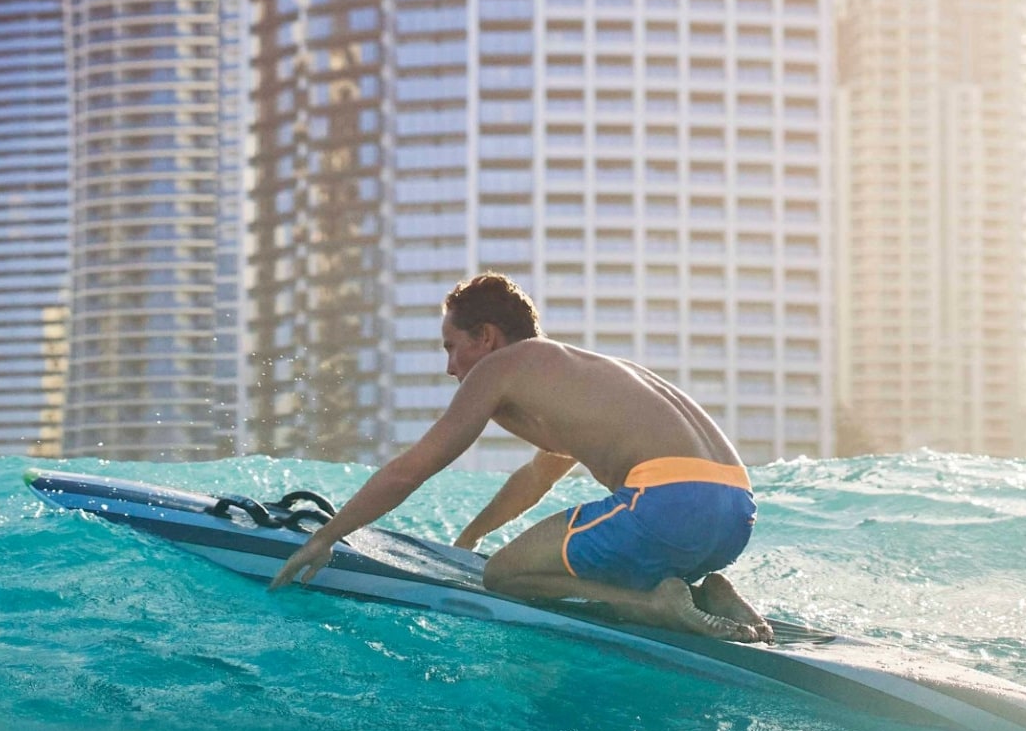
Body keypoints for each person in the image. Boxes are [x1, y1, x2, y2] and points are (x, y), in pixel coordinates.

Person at [270, 272, 772, 642]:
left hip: (668, 505)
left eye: (452, 347)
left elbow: (413, 466)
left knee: (504, 576)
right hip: (734, 516)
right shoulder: (578, 373)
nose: (450, 368)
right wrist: (470, 537)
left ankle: (654, 605)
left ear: (486, 336)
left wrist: (327, 537)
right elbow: (538, 476)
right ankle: (706, 593)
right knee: (591, 548)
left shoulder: (503, 367)